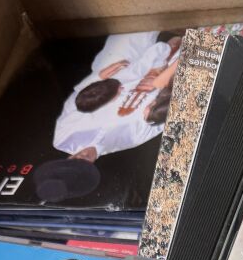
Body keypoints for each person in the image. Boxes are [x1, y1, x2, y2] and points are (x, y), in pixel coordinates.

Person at [52, 31, 182, 162]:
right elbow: (163, 119)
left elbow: (75, 101)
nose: (81, 157)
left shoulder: (63, 139)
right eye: (82, 165)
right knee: (189, 55)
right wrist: (163, 85)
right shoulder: (130, 140)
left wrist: (100, 76)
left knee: (133, 25)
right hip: (162, 80)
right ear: (90, 168)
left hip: (116, 72)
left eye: (74, 161)